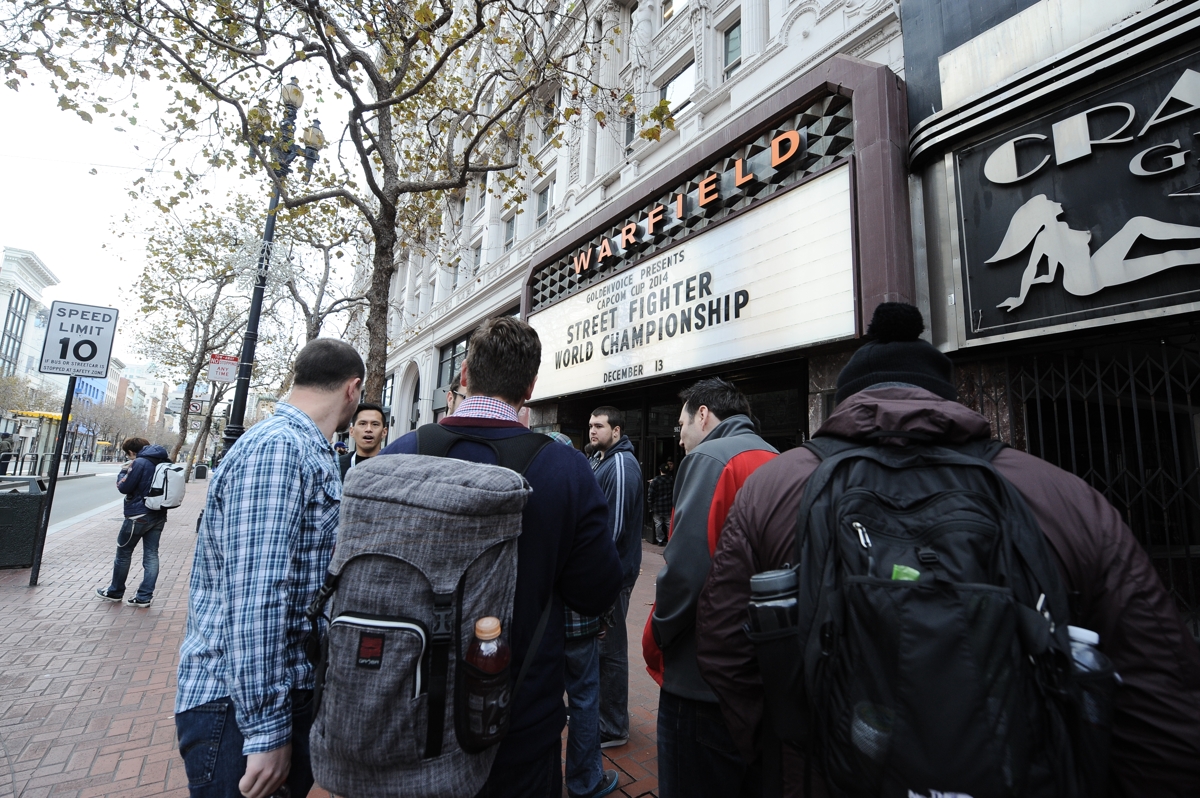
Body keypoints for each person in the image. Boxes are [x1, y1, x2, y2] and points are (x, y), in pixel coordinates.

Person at [695, 303, 1200, 798]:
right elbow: (1161, 694)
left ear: (845, 401)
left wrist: (788, 757)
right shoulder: (1064, 495)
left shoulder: (771, 488)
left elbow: (722, 646)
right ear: (947, 398)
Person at [380, 316, 622, 798]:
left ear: (464, 373)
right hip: (518, 717)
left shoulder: (399, 455)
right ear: (529, 388)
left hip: (407, 705)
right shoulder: (566, 469)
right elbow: (596, 591)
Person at [174, 338, 365, 798]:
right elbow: (256, 597)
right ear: (353, 389)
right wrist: (265, 729)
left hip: (265, 698)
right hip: (237, 711)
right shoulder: (279, 448)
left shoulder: (303, 446)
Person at [645, 377, 777, 798]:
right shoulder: (777, 458)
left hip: (702, 675)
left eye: (681, 425)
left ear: (703, 415)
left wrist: (658, 634)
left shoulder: (709, 458)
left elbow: (686, 573)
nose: (679, 438)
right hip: (761, 667)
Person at [588, 405, 643, 749]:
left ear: (617, 431)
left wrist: (595, 575)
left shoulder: (621, 464)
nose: (592, 430)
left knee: (610, 650)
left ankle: (613, 726)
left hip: (612, 576)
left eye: (599, 426)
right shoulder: (602, 460)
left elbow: (614, 530)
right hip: (604, 574)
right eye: (590, 425)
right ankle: (602, 716)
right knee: (602, 647)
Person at [94, 437, 172, 608]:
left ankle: (115, 591)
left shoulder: (139, 463)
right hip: (158, 514)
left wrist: (123, 472)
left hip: (138, 515)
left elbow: (124, 487)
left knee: (123, 554)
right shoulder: (163, 460)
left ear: (131, 451)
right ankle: (144, 596)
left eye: (127, 453)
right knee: (151, 555)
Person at [339, 401, 388, 479]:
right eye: (362, 424)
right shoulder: (336, 466)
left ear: (384, 432)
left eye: (375, 424)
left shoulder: (394, 466)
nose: (368, 429)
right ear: (352, 431)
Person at [647, 463, 675, 545]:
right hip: (668, 505)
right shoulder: (671, 480)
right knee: (669, 523)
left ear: (660, 470)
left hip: (657, 506)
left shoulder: (655, 480)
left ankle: (660, 539)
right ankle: (670, 539)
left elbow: (650, 494)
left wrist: (650, 505)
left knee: (658, 524)